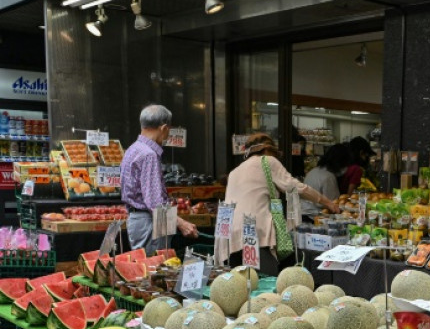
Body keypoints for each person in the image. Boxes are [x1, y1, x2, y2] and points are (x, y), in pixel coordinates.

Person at [218, 133, 339, 275]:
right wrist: (328, 203)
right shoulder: (267, 161)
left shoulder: (234, 172)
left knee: (240, 286)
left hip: (229, 236)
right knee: (265, 285)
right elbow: (297, 187)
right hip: (255, 232)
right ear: (267, 150)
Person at [121, 104, 198, 254]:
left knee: (146, 267)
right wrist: (181, 223)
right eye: (168, 130)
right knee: (155, 269)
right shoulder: (149, 154)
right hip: (150, 221)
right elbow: (155, 203)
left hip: (139, 219)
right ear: (163, 128)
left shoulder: (133, 149)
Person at [301, 143, 347, 217]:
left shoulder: (314, 171)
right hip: (315, 216)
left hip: (304, 212)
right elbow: (333, 203)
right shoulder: (328, 177)